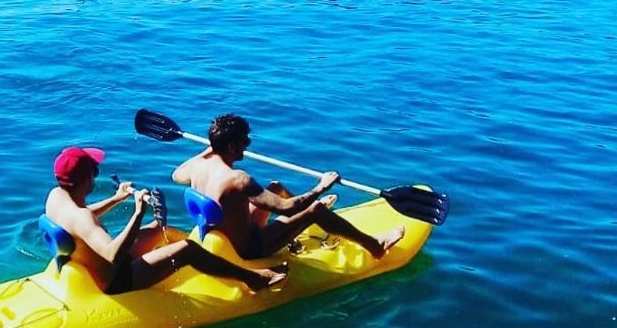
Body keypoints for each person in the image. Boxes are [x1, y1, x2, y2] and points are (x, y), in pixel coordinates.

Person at [44, 146, 287, 295]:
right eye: (94, 171)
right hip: (117, 278)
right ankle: (254, 278)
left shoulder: (57, 197)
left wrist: (117, 198)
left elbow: (79, 222)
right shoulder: (82, 217)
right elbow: (111, 254)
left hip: (92, 267)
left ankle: (210, 260)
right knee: (187, 249)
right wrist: (137, 213)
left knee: (157, 230)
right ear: (87, 178)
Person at [172, 114, 405, 260]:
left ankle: (307, 225)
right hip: (250, 247)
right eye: (245, 141)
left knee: (274, 188)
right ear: (232, 145)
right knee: (315, 210)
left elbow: (176, 175)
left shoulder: (197, 166)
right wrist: (320, 187)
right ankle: (375, 245)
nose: (248, 145)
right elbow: (286, 208)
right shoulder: (238, 179)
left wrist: (211, 148)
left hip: (225, 232)